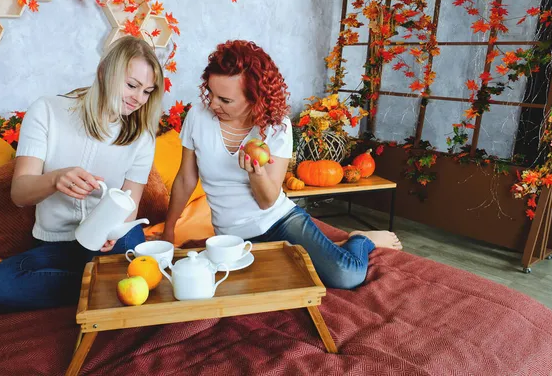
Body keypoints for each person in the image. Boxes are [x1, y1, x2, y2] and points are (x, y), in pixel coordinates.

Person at [162, 40, 402, 290]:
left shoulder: (278, 127)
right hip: (232, 238)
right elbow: (185, 179)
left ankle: (360, 240)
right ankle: (330, 247)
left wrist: (256, 173)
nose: (212, 104)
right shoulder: (197, 117)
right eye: (210, 93)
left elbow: (267, 201)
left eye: (225, 99)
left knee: (347, 275)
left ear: (254, 98)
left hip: (280, 221)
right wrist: (169, 230)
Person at [0, 36, 164, 312]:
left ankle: (108, 281)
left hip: (110, 244)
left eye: (147, 91)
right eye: (132, 86)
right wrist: (55, 179)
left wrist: (113, 231)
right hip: (58, 245)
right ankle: (108, 284)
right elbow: (19, 193)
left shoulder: (141, 137)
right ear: (104, 72)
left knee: (129, 241)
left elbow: (130, 207)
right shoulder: (47, 112)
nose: (139, 99)